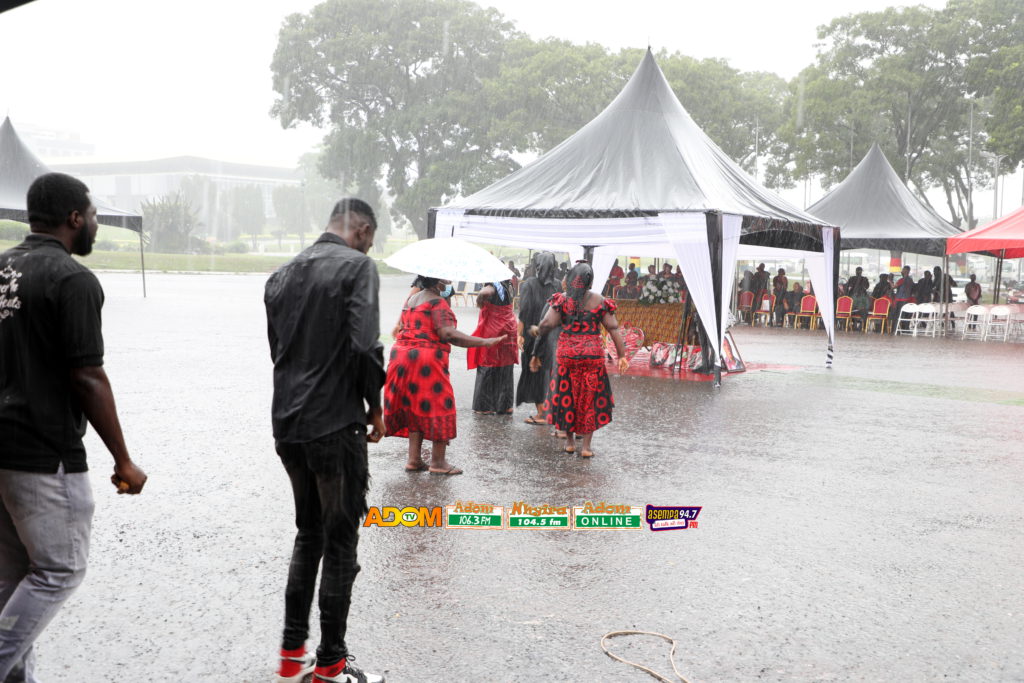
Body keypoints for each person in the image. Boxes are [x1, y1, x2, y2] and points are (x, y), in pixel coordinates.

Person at [0, 173, 148, 682]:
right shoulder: (71, 280)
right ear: (75, 218)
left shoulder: (2, 268)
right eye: (95, 217)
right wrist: (123, 459)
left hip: (2, 452)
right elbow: (87, 376)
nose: (97, 228)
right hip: (44, 455)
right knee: (60, 568)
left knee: (13, 580)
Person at [264, 198, 386, 683]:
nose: (368, 245)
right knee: (339, 542)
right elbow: (364, 345)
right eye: (370, 238)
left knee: (308, 533)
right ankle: (331, 664)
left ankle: (292, 655)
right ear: (361, 228)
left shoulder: (281, 275)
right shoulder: (357, 268)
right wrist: (374, 406)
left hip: (288, 423)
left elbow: (280, 351)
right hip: (334, 425)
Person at [384, 276, 505, 476]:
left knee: (416, 405)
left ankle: (414, 460)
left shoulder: (411, 300)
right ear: (437, 279)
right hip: (425, 359)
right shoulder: (437, 302)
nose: (449, 279)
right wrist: (484, 342)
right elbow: (448, 334)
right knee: (440, 404)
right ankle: (438, 463)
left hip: (401, 357)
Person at [531, 263, 629, 458]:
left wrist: (536, 341)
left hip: (567, 356)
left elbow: (547, 323)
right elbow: (613, 328)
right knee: (588, 400)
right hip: (591, 356)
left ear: (570, 279)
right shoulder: (600, 301)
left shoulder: (562, 300)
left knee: (567, 396)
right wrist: (622, 356)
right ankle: (585, 447)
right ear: (590, 281)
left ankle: (569, 442)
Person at [516, 253, 561, 424]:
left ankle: (542, 413)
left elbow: (524, 311)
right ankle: (550, 409)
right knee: (549, 372)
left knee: (534, 373)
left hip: (532, 334)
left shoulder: (529, 284)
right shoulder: (557, 285)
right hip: (552, 335)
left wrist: (519, 335)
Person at [469, 280, 518, 415]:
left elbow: (487, 291)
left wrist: (480, 298)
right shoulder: (507, 286)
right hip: (509, 329)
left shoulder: (492, 285)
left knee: (488, 364)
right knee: (506, 366)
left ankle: (485, 406)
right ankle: (505, 405)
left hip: (494, 329)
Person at [892, 266, 915, 332]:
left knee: (897, 316)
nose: (901, 271)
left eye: (903, 270)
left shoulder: (901, 280)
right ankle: (904, 329)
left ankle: (895, 330)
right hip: (907, 299)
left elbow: (893, 287)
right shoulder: (910, 280)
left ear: (906, 271)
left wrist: (890, 280)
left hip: (900, 300)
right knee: (904, 315)